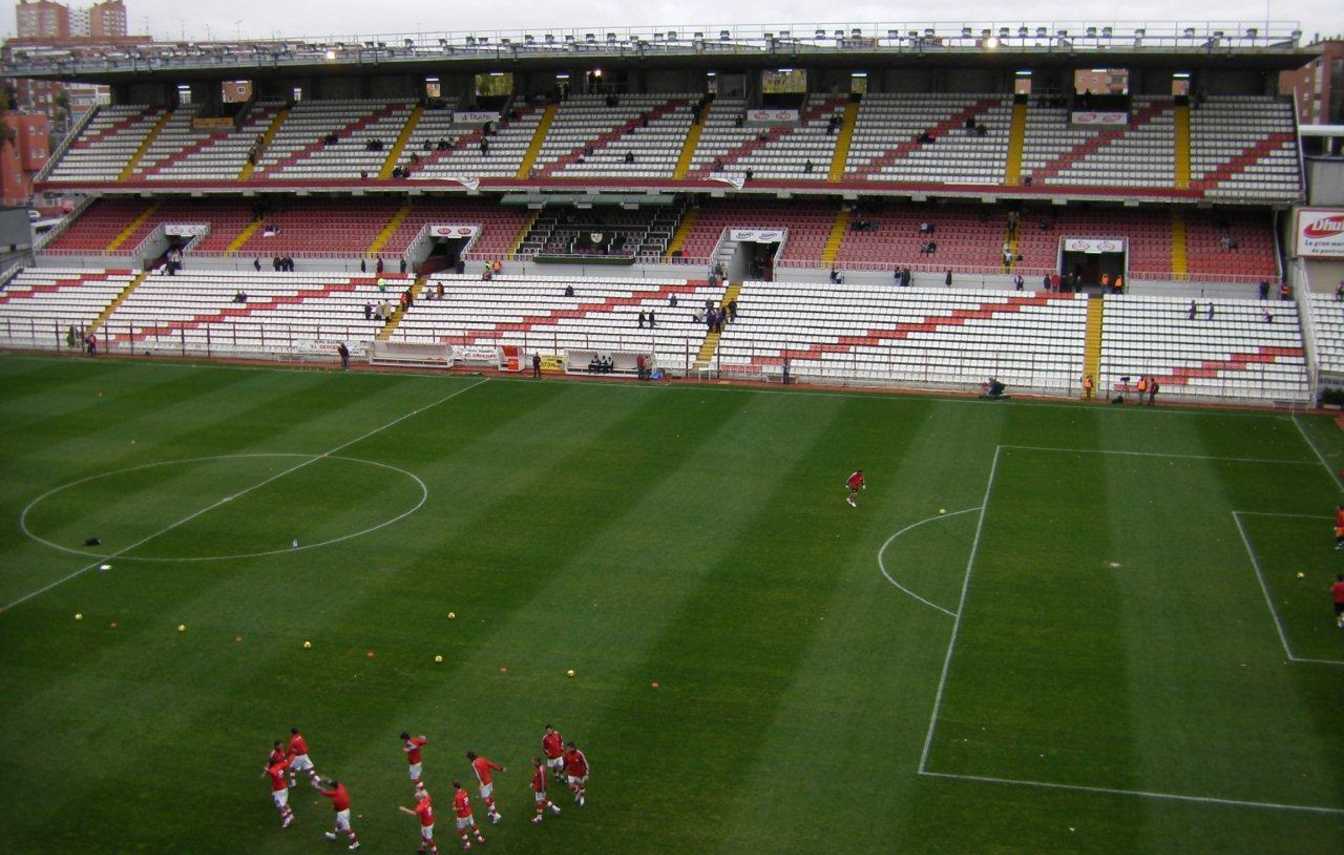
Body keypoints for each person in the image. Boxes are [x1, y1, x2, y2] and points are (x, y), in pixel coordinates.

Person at [313, 778, 360, 850]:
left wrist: (316, 785)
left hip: (342, 813)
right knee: (338, 824)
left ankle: (355, 843)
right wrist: (323, 780)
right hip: (346, 810)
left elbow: (324, 792)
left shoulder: (334, 793)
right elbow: (330, 782)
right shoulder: (341, 786)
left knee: (347, 829)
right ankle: (334, 835)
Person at [398, 783, 438, 855]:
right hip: (427, 822)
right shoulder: (427, 799)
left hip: (427, 824)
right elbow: (426, 793)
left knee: (429, 839)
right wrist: (421, 787)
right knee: (423, 836)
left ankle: (435, 852)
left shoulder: (421, 806)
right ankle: (423, 848)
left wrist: (404, 809)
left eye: (416, 796)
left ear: (419, 798)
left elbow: (414, 813)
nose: (415, 796)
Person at [466, 751, 505, 823]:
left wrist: (481, 783)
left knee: (486, 800)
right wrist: (501, 769)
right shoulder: (482, 759)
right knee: (490, 796)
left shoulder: (474, 764)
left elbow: (478, 774)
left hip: (484, 783)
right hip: (489, 780)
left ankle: (495, 815)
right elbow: (491, 764)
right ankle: (492, 812)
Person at [452, 781, 488, 849]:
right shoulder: (464, 792)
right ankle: (480, 838)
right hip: (469, 813)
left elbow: (460, 808)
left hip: (462, 816)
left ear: (455, 787)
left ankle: (468, 844)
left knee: (461, 830)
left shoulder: (457, 796)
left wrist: (454, 808)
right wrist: (455, 803)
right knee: (473, 825)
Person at [263, 757, 295, 828]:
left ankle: (287, 819)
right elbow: (286, 763)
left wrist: (266, 769)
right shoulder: (280, 765)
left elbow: (271, 772)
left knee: (279, 805)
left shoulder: (271, 770)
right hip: (284, 787)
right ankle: (291, 815)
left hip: (279, 790)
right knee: (284, 802)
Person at [530, 756, 562, 823]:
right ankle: (554, 808)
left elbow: (542, 781)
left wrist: (540, 790)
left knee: (539, 803)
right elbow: (536, 776)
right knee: (541, 801)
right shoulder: (539, 768)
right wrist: (533, 782)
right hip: (539, 788)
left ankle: (539, 818)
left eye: (534, 761)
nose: (532, 763)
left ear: (537, 762)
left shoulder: (540, 770)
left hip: (540, 789)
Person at [562, 742, 589, 806]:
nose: (567, 749)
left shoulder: (579, 754)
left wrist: (587, 772)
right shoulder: (567, 753)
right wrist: (563, 770)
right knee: (571, 787)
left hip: (579, 773)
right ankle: (578, 792)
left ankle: (582, 798)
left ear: (573, 748)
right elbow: (565, 762)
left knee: (581, 785)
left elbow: (585, 762)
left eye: (568, 748)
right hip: (571, 773)